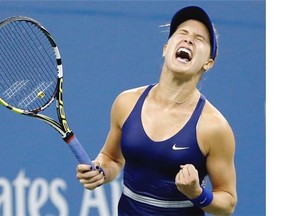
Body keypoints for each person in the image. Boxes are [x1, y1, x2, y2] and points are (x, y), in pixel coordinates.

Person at [76, 5, 237, 216]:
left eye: (200, 39)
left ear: (208, 63)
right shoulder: (126, 103)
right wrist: (100, 171)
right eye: (182, 33)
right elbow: (112, 159)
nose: (188, 40)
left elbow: (228, 202)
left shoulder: (214, 127)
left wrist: (197, 193)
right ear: (165, 48)